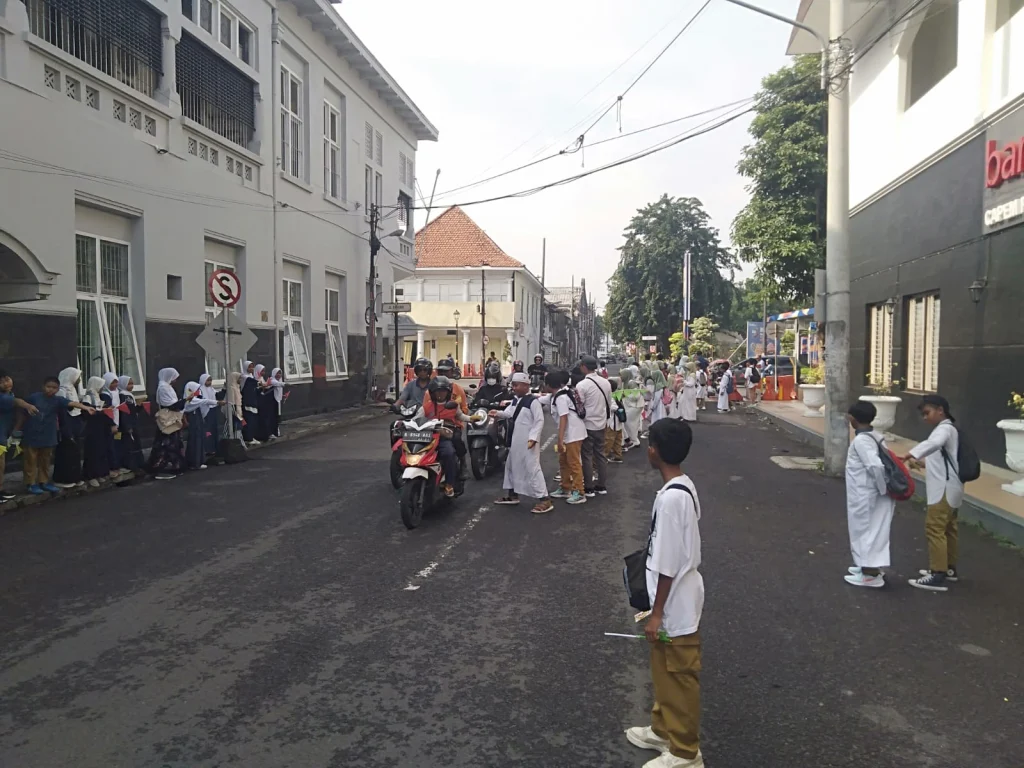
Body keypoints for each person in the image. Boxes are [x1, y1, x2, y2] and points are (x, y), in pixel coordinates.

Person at [625, 418, 704, 768]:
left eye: (649, 444)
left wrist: (656, 614)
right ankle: (662, 729)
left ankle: (686, 752)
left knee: (679, 676)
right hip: (670, 599)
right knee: (663, 669)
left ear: (654, 451)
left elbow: (669, 563)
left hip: (675, 605)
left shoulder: (673, 500)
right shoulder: (680, 485)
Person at [901, 395, 964, 592]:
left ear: (940, 410)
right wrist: (918, 462)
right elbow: (939, 458)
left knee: (934, 528)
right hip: (952, 487)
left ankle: (937, 574)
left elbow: (934, 444)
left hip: (943, 489)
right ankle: (948, 569)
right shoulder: (949, 431)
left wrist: (911, 453)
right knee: (948, 528)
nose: (925, 417)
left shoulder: (944, 429)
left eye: (927, 413)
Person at [843, 401, 895, 588]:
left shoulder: (862, 441)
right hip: (870, 493)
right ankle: (866, 566)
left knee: (864, 530)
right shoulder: (875, 436)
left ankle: (870, 574)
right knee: (872, 530)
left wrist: (882, 488)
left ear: (853, 418)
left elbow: (875, 466)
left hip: (867, 494)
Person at [18, 375, 94, 494]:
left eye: (54, 387)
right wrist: (18, 429)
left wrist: (86, 407)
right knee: (30, 461)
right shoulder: (34, 398)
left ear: (58, 389)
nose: (51, 389)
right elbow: (23, 412)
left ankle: (43, 482)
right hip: (32, 434)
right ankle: (30, 484)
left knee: (45, 460)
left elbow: (72, 403)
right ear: (43, 386)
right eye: (48, 386)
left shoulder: (57, 400)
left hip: (48, 435)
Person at [490, 372, 552, 513]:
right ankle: (513, 495)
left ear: (526, 386)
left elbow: (539, 421)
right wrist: (497, 413)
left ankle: (544, 499)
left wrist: (534, 438)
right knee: (512, 466)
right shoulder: (515, 400)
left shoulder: (533, 402)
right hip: (516, 440)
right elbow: (510, 413)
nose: (514, 388)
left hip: (528, 441)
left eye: (516, 385)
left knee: (532, 468)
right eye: (513, 385)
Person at [418, 375, 479, 497]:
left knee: (449, 453)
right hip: (428, 436)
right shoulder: (426, 406)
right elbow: (417, 419)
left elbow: (461, 417)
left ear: (448, 392)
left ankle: (449, 483)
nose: (440, 394)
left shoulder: (453, 405)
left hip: (445, 436)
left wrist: (471, 419)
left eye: (443, 391)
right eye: (437, 391)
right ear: (432, 393)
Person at [545, 368, 587, 505]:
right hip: (570, 433)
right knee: (563, 461)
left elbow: (564, 418)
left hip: (573, 433)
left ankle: (579, 492)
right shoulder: (558, 395)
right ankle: (565, 487)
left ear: (549, 385)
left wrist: (560, 438)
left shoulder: (561, 398)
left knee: (574, 463)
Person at [0, 370, 41, 501]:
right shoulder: (3, 397)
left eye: (7, 379)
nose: (6, 383)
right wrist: (28, 405)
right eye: (1, 382)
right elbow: (16, 402)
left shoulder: (9, 394)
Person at [576, 355, 613, 497]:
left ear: (584, 367)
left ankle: (589, 487)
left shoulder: (582, 385)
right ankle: (602, 486)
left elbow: (580, 407)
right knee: (600, 455)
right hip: (602, 423)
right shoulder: (606, 383)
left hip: (588, 424)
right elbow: (609, 403)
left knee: (587, 455)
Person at [148, 368, 193, 480]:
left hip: (172, 420)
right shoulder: (163, 388)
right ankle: (161, 470)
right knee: (166, 446)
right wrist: (186, 400)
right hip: (168, 421)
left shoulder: (167, 387)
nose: (175, 380)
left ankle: (174, 467)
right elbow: (171, 405)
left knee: (173, 445)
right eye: (174, 377)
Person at [52, 367, 86, 489]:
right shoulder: (62, 391)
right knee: (66, 452)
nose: (79, 380)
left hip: (75, 421)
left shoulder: (72, 389)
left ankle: (75, 477)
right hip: (66, 423)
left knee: (75, 452)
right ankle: (63, 478)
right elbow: (62, 412)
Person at [80, 375, 115, 487]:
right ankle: (90, 476)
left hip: (101, 427)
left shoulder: (98, 396)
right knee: (92, 452)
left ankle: (99, 473)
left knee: (101, 450)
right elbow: (86, 414)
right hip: (92, 428)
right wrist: (99, 411)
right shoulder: (88, 398)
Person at [183, 381, 218, 470]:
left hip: (197, 419)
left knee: (199, 439)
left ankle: (198, 460)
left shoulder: (195, 399)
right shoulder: (190, 400)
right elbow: (203, 401)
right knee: (195, 440)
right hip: (193, 420)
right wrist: (217, 402)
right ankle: (195, 462)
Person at [116, 376, 144, 472]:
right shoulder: (124, 396)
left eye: (132, 383)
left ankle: (136, 465)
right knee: (129, 445)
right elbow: (125, 412)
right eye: (129, 384)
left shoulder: (129, 395)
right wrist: (128, 426)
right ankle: (131, 465)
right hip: (128, 426)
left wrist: (139, 407)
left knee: (134, 444)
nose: (132, 386)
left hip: (132, 424)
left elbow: (132, 410)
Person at [618, 369, 645, 451]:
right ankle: (633, 440)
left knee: (630, 424)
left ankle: (634, 441)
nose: (620, 377)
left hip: (635, 406)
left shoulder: (631, 383)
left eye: (621, 375)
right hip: (632, 406)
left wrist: (625, 395)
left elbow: (636, 396)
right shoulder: (626, 383)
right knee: (629, 424)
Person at [197, 372, 222, 456]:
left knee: (214, 429)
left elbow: (217, 394)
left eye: (210, 380)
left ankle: (215, 447)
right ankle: (208, 449)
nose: (209, 382)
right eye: (208, 380)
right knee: (208, 431)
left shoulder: (211, 389)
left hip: (213, 410)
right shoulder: (200, 390)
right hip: (206, 412)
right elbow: (204, 401)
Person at [605, 378, 624, 464]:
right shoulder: (617, 395)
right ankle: (618, 456)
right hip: (619, 422)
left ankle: (604, 456)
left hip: (612, 422)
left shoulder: (610, 397)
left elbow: (613, 407)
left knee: (608, 440)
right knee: (618, 440)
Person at [240, 360, 260, 444]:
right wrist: (261, 384)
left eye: (252, 367)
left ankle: (251, 436)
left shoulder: (251, 376)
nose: (252, 369)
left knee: (253, 420)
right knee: (248, 420)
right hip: (247, 401)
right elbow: (254, 383)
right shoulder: (244, 377)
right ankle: (248, 438)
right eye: (250, 367)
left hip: (253, 401)